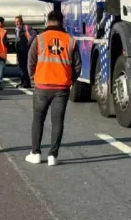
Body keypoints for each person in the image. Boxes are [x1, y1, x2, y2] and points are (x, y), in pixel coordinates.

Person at [24, 10, 81, 167]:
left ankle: (35, 153)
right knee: (57, 122)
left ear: (48, 22)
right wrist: (69, 81)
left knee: (38, 119)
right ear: (62, 22)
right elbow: (77, 66)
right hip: (62, 88)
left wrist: (33, 79)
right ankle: (53, 156)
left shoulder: (40, 39)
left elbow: (31, 61)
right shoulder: (70, 40)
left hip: (41, 86)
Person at [14, 15, 37, 88]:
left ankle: (27, 83)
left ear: (21, 21)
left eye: (18, 21)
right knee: (21, 66)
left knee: (25, 67)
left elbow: (34, 34)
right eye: (16, 22)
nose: (17, 23)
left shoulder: (26, 27)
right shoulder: (16, 29)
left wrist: (28, 43)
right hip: (19, 51)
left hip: (25, 51)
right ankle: (22, 81)